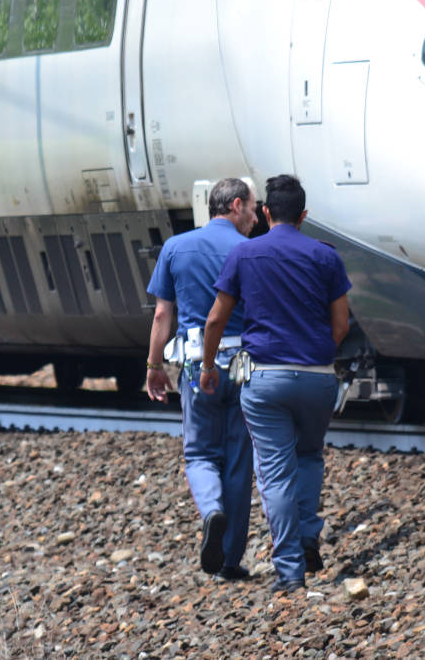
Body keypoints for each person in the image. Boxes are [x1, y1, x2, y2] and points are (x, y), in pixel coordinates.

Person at [199, 174, 351, 594]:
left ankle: (289, 571)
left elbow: (215, 319)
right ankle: (306, 538)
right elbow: (341, 324)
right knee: (309, 458)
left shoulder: (245, 255)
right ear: (304, 215)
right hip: (318, 378)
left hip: (265, 379)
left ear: (265, 213)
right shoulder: (326, 256)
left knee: (276, 473)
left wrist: (208, 364)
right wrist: (317, 353)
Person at [145, 177, 258, 580]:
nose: (255, 217)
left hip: (196, 366)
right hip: (243, 367)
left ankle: (211, 510)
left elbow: (162, 315)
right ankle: (229, 561)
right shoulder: (249, 251)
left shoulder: (176, 247)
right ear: (236, 206)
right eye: (252, 209)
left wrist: (154, 367)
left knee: (199, 453)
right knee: (239, 460)